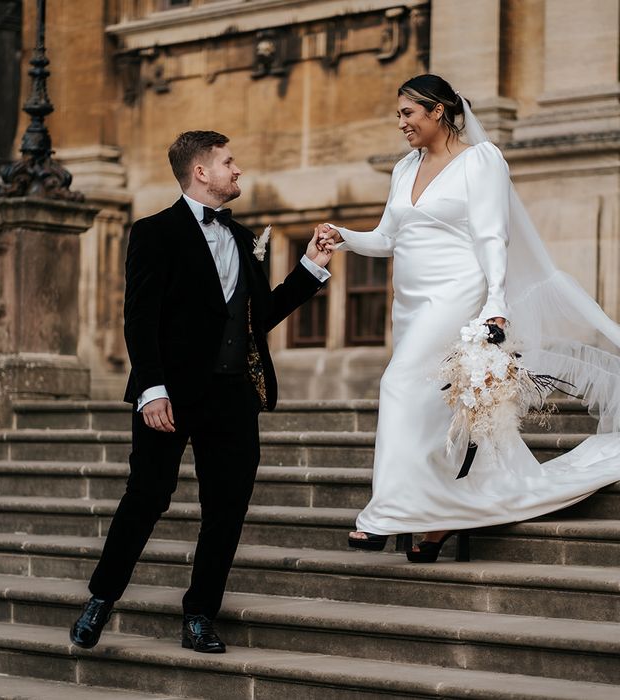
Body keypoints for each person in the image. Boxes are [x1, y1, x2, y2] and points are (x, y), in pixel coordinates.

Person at [317, 74, 620, 563]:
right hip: (410, 306)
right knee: (437, 409)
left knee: (399, 386)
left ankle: (385, 515)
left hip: (457, 297)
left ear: (438, 111)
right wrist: (343, 235)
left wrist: (495, 302)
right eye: (399, 115)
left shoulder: (481, 161)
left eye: (408, 113)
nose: (401, 124)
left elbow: (490, 236)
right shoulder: (403, 168)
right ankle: (440, 518)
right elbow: (388, 238)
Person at [70, 130, 332, 652]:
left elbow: (261, 316)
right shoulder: (154, 232)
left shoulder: (242, 238)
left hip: (234, 396)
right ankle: (101, 597)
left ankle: (199, 614)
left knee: (227, 507)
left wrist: (311, 266)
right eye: (228, 163)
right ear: (201, 173)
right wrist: (151, 390)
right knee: (146, 497)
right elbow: (139, 320)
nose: (238, 171)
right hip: (171, 394)